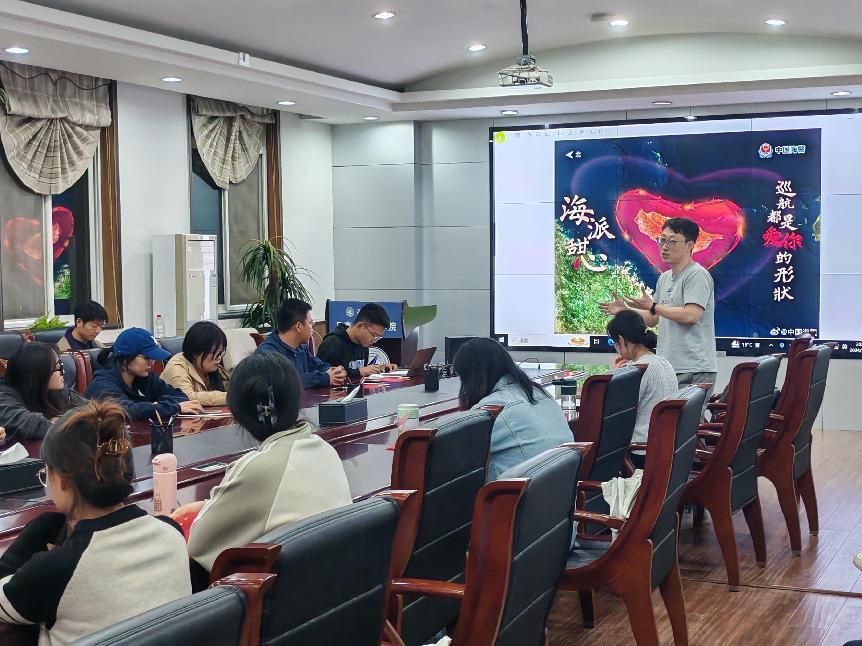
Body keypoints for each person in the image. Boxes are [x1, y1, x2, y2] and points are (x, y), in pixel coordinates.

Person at [0, 401, 192, 642]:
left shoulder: (58, 568)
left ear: (62, 480)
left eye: (46, 473)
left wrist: (34, 533)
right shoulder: (172, 533)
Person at [174, 352, 352, 572]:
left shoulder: (258, 467)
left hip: (283, 590)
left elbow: (197, 545)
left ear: (238, 413)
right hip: (330, 583)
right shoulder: (325, 450)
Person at [600, 216, 717, 397]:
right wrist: (625, 310)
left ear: (690, 245)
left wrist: (654, 306)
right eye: (662, 240)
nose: (664, 246)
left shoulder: (697, 275)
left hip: (694, 368)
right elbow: (653, 319)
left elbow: (691, 315)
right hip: (670, 367)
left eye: (672, 241)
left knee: (681, 417)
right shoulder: (664, 278)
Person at [453, 338, 572, 480]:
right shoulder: (540, 393)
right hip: (559, 489)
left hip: (516, 492)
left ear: (473, 377)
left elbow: (458, 458)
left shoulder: (490, 411)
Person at [606, 310, 679, 468]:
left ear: (621, 340)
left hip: (640, 453)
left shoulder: (638, 370)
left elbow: (615, 412)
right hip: (664, 449)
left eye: (614, 343)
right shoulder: (663, 363)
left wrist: (617, 374)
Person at [86, 327, 203, 420]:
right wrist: (168, 407)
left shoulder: (146, 377)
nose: (152, 362)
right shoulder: (102, 384)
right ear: (125, 358)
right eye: (147, 357)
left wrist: (157, 406)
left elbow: (180, 396)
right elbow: (125, 410)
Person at [0, 343, 86, 441]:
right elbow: (28, 424)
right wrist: (60, 424)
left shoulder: (55, 391)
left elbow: (92, 411)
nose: (63, 372)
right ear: (40, 373)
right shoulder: (3, 396)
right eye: (59, 368)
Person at [257, 298, 346, 389]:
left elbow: (318, 365)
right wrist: (325, 378)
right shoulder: (268, 352)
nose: (312, 328)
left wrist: (336, 371)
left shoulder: (301, 348)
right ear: (299, 326)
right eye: (310, 323)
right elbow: (286, 382)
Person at [317, 303, 397, 379]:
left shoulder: (362, 343)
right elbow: (324, 377)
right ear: (361, 326)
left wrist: (379, 368)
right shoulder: (332, 344)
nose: (374, 341)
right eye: (374, 335)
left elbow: (361, 371)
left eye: (378, 337)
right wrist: (359, 372)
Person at [161, 321, 230, 407]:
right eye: (214, 353)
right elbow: (187, 397)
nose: (219, 358)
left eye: (220, 352)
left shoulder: (213, 368)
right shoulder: (176, 366)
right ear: (195, 352)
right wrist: (231, 397)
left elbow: (233, 388)